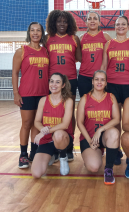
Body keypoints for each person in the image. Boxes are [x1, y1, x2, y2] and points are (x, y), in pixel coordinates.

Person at [101, 15, 129, 165]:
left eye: (123, 24)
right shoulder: (109, 44)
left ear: (128, 26)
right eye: (118, 24)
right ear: (114, 27)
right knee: (115, 119)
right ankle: (116, 149)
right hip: (112, 84)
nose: (120, 27)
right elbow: (104, 66)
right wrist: (101, 83)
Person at [46, 10, 81, 161]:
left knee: (69, 113)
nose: (62, 24)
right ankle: (54, 145)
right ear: (54, 22)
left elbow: (79, 58)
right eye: (59, 21)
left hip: (71, 80)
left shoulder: (74, 39)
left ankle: (69, 145)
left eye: (65, 21)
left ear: (69, 23)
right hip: (53, 82)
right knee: (54, 113)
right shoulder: (48, 38)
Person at [12, 22, 48, 169]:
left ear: (42, 33)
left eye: (38, 30)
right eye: (32, 30)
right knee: (26, 124)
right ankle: (23, 154)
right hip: (27, 93)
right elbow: (14, 73)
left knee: (37, 125)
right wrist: (16, 93)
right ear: (29, 33)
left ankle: (34, 152)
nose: (35, 33)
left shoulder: (46, 51)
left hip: (43, 94)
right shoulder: (22, 51)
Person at [77, 70, 120, 184]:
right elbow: (79, 123)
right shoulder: (85, 98)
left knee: (114, 133)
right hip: (89, 137)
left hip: (104, 137)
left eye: (102, 80)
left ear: (106, 83)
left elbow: (116, 119)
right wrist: (90, 140)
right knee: (93, 167)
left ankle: (109, 169)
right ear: (92, 81)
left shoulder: (111, 97)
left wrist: (100, 129)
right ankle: (95, 154)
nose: (99, 82)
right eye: (96, 79)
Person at [31, 73, 74, 178]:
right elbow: (36, 121)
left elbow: (65, 124)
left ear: (63, 85)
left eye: (57, 82)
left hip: (63, 139)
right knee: (36, 174)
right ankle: (52, 155)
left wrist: (45, 132)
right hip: (47, 140)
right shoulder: (43, 100)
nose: (54, 84)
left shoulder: (68, 101)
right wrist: (43, 130)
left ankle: (63, 157)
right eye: (51, 81)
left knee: (58, 134)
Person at [78, 12, 112, 98]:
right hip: (84, 76)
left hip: (100, 77)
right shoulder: (82, 38)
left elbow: (112, 55)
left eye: (95, 18)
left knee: (101, 104)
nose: (92, 21)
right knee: (85, 103)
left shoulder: (105, 36)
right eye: (89, 19)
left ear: (99, 22)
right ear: (86, 22)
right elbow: (78, 56)